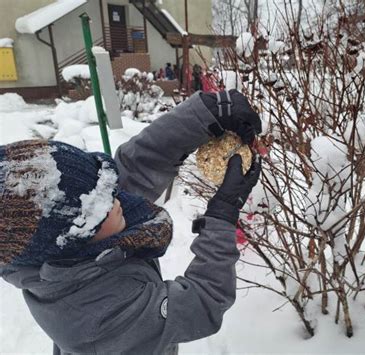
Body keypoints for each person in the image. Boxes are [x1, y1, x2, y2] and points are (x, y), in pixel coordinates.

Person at [0, 90, 262, 354]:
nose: (116, 201)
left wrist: (204, 114)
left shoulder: (71, 243)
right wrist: (223, 214)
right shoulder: (98, 314)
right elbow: (202, 303)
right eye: (102, 203)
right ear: (71, 240)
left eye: (107, 189)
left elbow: (135, 170)